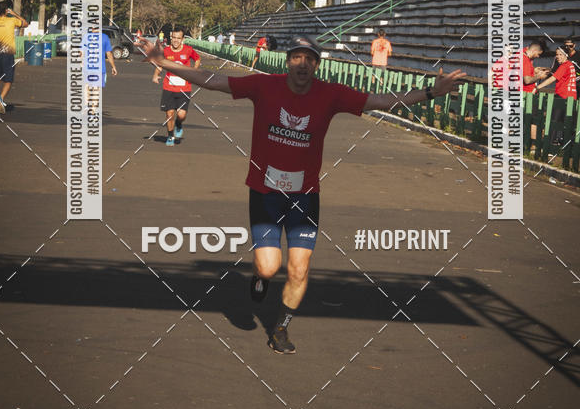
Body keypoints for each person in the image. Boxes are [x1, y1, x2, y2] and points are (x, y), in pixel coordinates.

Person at [138, 32, 465, 354]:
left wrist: (430, 92)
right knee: (268, 267)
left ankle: (280, 327)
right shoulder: (264, 85)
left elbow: (380, 101)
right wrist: (160, 61)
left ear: (317, 66)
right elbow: (211, 79)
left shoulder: (330, 94)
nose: (303, 64)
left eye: (310, 59)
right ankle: (260, 278)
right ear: (287, 62)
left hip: (304, 195)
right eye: (297, 58)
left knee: (299, 268)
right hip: (265, 191)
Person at [151, 27, 200, 146]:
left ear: (182, 39)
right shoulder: (166, 51)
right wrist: (155, 75)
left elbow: (197, 59)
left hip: (184, 88)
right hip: (169, 87)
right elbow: (160, 64)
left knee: (182, 114)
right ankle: (170, 136)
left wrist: (193, 71)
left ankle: (179, 124)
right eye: (174, 38)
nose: (176, 40)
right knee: (169, 114)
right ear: (171, 38)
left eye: (179, 38)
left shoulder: (188, 50)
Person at [535, 46, 577, 146]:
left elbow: (553, 78)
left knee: (554, 121)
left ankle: (548, 146)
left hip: (563, 97)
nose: (557, 57)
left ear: (566, 55)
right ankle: (564, 146)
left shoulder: (564, 66)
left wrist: (537, 87)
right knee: (565, 123)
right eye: (556, 54)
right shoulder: (570, 65)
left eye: (560, 54)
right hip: (571, 97)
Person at [0, 1, 28, 113]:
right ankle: (0, 98)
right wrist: (14, 14)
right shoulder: (12, 20)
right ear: (6, 11)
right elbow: (25, 23)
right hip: (8, 54)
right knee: (8, 79)